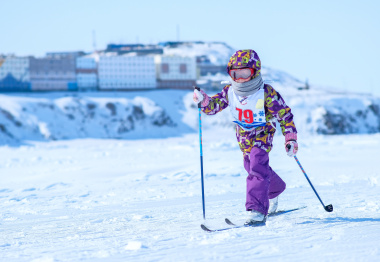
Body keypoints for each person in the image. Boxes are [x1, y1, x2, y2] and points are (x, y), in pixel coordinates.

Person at [193, 49, 298, 225]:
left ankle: (257, 209)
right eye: (235, 74)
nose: (240, 78)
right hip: (244, 138)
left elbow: (284, 115)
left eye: (245, 73)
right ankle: (276, 189)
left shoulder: (266, 93)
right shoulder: (229, 92)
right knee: (251, 166)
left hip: (262, 135)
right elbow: (213, 107)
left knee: (257, 165)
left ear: (255, 71)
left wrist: (290, 138)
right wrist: (203, 101)